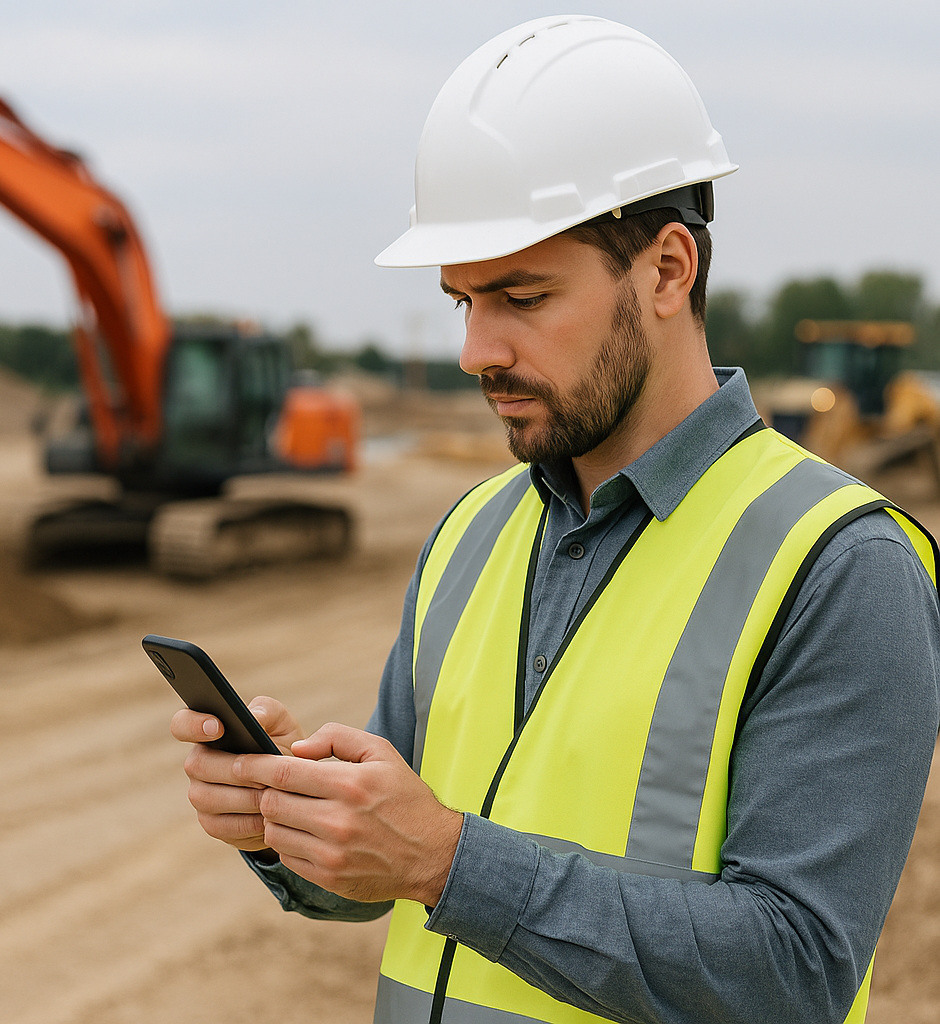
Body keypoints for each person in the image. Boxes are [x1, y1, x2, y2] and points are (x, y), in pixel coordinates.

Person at [172, 16, 940, 1024]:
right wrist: (290, 821)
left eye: (522, 296)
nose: (476, 349)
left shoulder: (839, 563)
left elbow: (792, 972)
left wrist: (450, 862)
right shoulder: (470, 533)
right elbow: (392, 868)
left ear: (669, 271)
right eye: (461, 303)